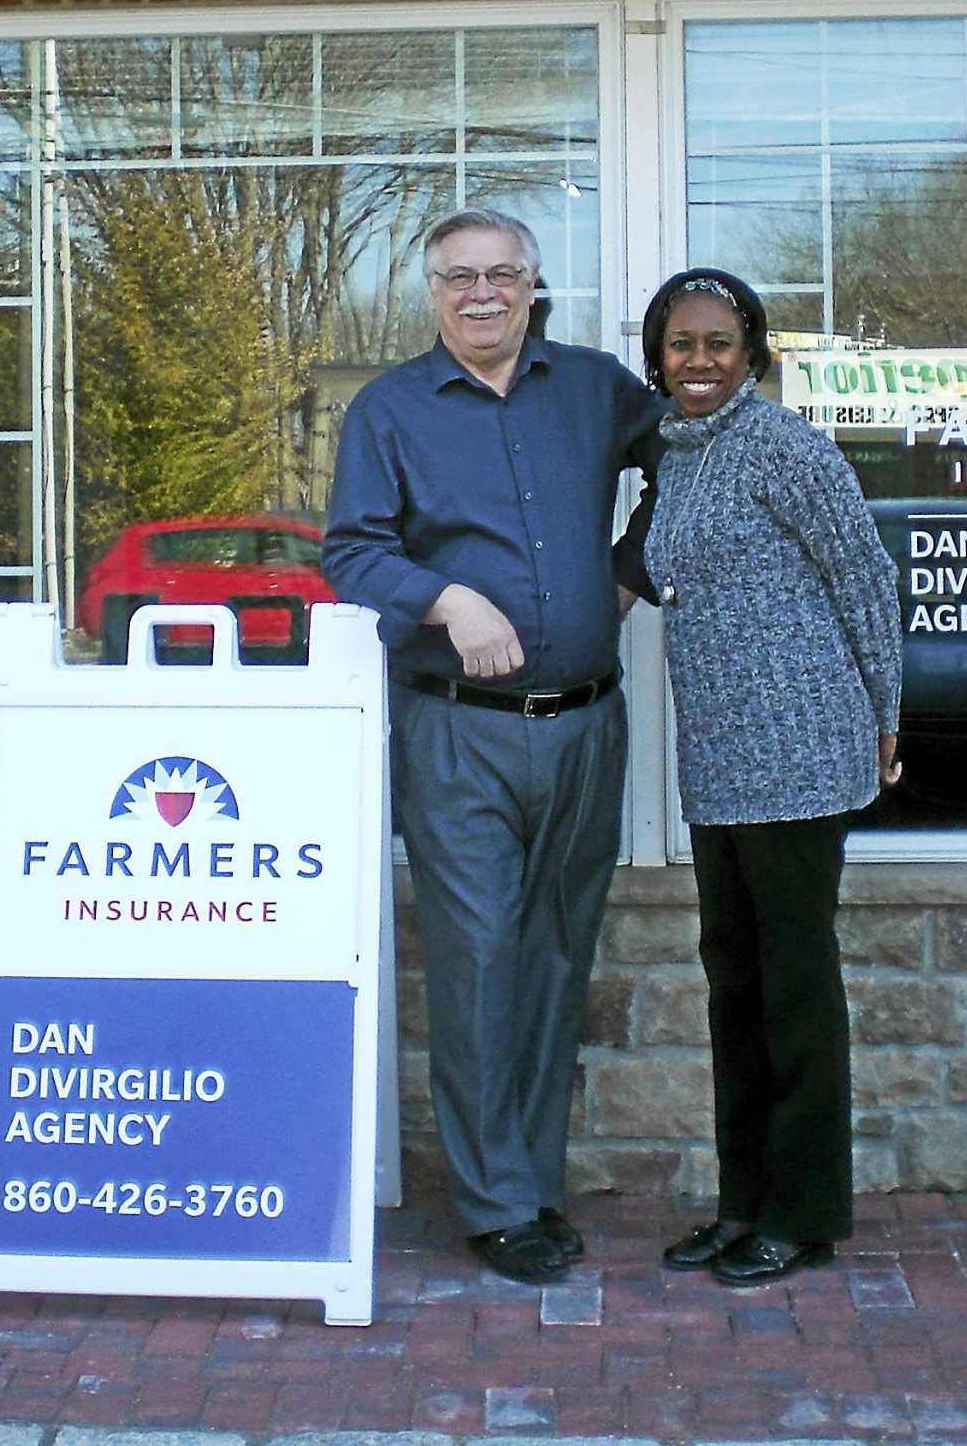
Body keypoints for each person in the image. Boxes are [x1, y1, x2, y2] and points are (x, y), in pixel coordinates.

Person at [322, 208, 664, 1284]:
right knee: (476, 962)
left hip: (584, 722)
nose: (481, 293)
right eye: (459, 277)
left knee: (557, 957)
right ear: (430, 292)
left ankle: (534, 1181)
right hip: (456, 732)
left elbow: (693, 465)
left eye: (501, 274)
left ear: (531, 285)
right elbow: (350, 550)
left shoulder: (596, 387)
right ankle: (494, 1201)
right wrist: (442, 596)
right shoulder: (387, 410)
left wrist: (629, 567)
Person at [640, 267, 903, 1288]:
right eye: (678, 344)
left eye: (715, 342)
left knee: (791, 987)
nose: (696, 361)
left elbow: (863, 578)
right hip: (719, 759)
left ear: (750, 350)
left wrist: (883, 713)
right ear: (655, 358)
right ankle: (741, 1199)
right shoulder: (676, 454)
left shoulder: (784, 447)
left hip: (799, 751)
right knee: (733, 984)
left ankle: (800, 1211)